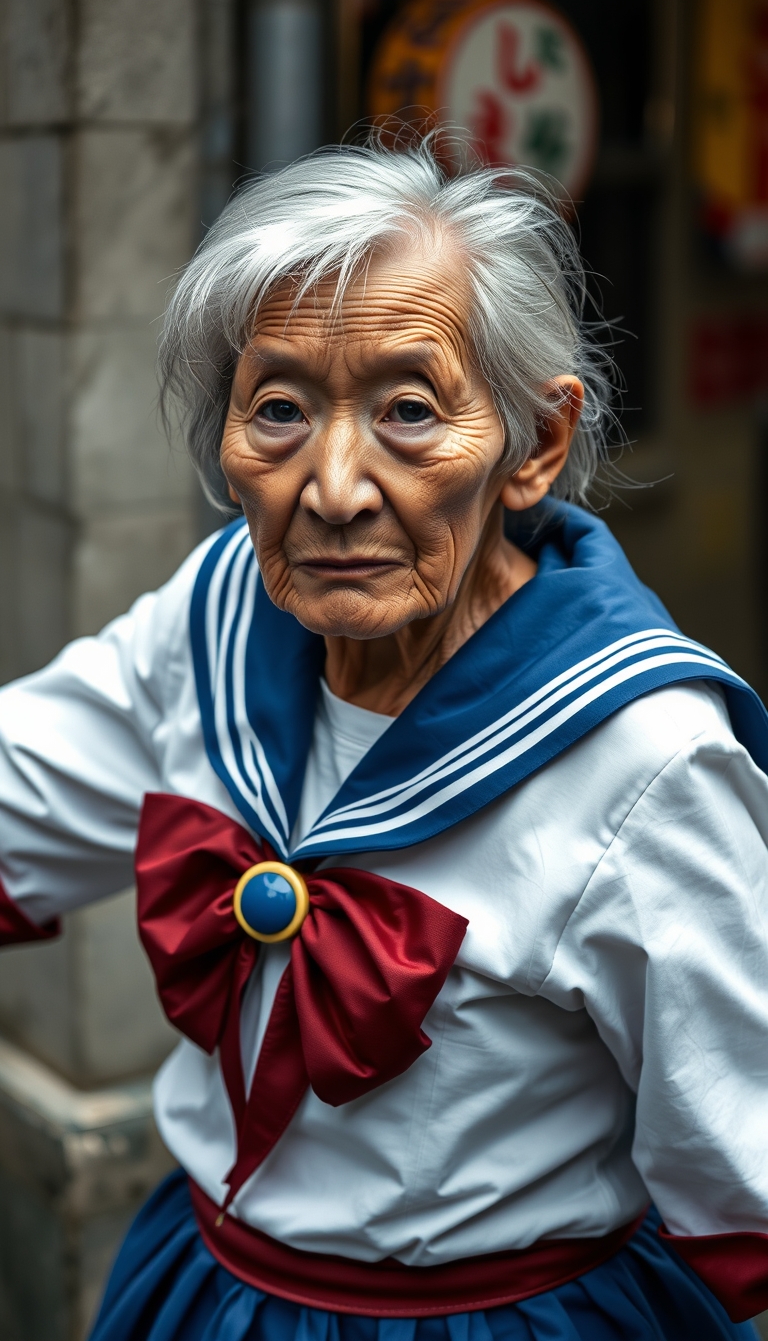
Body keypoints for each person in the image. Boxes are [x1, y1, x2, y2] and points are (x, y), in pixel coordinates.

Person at [0, 136, 766, 1341]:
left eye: (410, 411)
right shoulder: (212, 623)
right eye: (280, 412)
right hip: (205, 1292)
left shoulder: (646, 758)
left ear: (537, 446)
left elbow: (748, 1152)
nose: (337, 486)